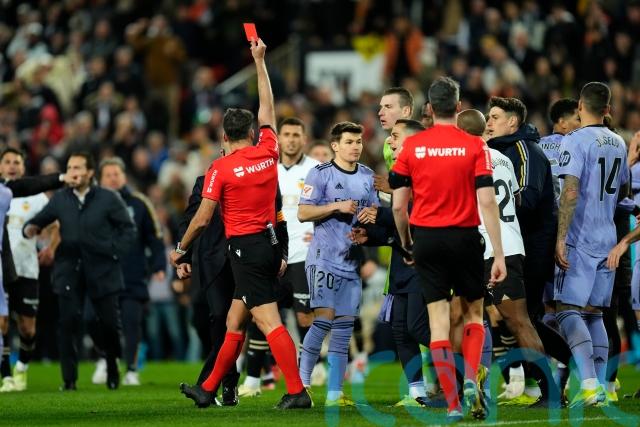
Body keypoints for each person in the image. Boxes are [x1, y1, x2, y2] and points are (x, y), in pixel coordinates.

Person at [170, 38, 312, 410]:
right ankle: (208, 388)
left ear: (223, 136)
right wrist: (259, 61)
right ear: (252, 133)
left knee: (269, 322)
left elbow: (202, 218)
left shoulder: (220, 168)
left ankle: (297, 391)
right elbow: (267, 106)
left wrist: (181, 248)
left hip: (245, 250)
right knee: (235, 322)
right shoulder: (268, 151)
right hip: (267, 243)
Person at [389, 77, 506, 422]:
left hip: (427, 239)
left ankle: (454, 404)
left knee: (438, 324)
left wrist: (407, 243)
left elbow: (398, 206)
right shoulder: (475, 146)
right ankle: (471, 378)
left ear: (429, 108)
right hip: (465, 237)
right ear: (458, 106)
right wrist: (499, 254)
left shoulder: (412, 147)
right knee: (473, 315)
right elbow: (488, 201)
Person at [458, 109, 560, 408]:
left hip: (487, 247)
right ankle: (475, 386)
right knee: (505, 320)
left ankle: (550, 391)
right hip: (510, 245)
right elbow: (514, 200)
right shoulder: (502, 159)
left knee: (515, 322)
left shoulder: (465, 160)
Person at [23, 152, 137, 390]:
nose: (72, 172)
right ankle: (69, 380)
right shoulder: (60, 199)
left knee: (108, 323)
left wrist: (113, 251)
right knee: (67, 323)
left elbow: (128, 230)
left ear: (90, 172)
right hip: (69, 268)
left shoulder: (108, 198)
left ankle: (112, 364)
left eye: (77, 167)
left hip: (102, 268)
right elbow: (39, 219)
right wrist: (30, 228)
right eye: (69, 168)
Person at [351, 118, 437, 407]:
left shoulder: (428, 171)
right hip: (403, 259)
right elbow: (397, 228)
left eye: (396, 136)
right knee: (401, 328)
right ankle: (417, 392)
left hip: (424, 260)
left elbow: (419, 217)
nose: (389, 140)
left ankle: (467, 366)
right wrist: (371, 236)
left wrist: (382, 214)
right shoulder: (402, 172)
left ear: (413, 140)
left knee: (418, 328)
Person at [555, 82, 629, 407]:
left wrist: (561, 237)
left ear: (580, 106)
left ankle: (588, 386)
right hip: (607, 236)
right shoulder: (619, 142)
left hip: (581, 237)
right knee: (595, 313)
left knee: (566, 310)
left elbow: (570, 190)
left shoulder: (574, 140)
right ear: (608, 109)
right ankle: (599, 388)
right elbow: (623, 191)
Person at [297, 121, 379, 406]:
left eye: (358, 141)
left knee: (344, 328)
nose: (355, 147)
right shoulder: (320, 173)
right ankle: (301, 387)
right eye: (349, 142)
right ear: (335, 145)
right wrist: (336, 206)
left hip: (351, 261)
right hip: (323, 258)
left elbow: (375, 214)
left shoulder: (368, 176)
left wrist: (370, 219)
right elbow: (303, 212)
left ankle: (335, 394)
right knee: (322, 321)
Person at [238, 117, 320, 397]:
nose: (291, 139)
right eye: (286, 134)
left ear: (304, 139)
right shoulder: (266, 168)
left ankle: (306, 377)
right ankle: (252, 381)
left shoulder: (315, 169)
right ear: (279, 138)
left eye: (297, 134)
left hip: (304, 255)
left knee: (304, 317)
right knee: (261, 317)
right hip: (271, 254)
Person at [92, 157, 166, 386]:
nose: (113, 178)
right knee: (95, 320)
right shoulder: (92, 203)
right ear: (100, 179)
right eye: (108, 175)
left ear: (124, 176)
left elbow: (155, 236)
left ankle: (132, 369)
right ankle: (106, 359)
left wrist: (159, 265)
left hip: (132, 274)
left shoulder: (139, 203)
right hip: (101, 274)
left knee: (132, 322)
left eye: (117, 174)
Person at [175, 173, 239, 406]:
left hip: (244, 258)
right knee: (214, 321)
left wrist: (280, 253)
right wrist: (184, 255)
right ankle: (227, 382)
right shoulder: (206, 180)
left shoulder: (254, 173)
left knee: (232, 322)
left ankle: (208, 387)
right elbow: (192, 218)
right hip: (212, 261)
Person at [0, 148, 50, 392]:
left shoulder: (37, 197)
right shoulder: (1, 194)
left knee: (27, 329)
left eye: (16, 162)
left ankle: (21, 366)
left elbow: (55, 224)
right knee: (2, 324)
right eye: (7, 161)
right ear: (0, 166)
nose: (12, 165)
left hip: (28, 269)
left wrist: (51, 247)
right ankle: (6, 376)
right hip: (2, 271)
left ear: (23, 167)